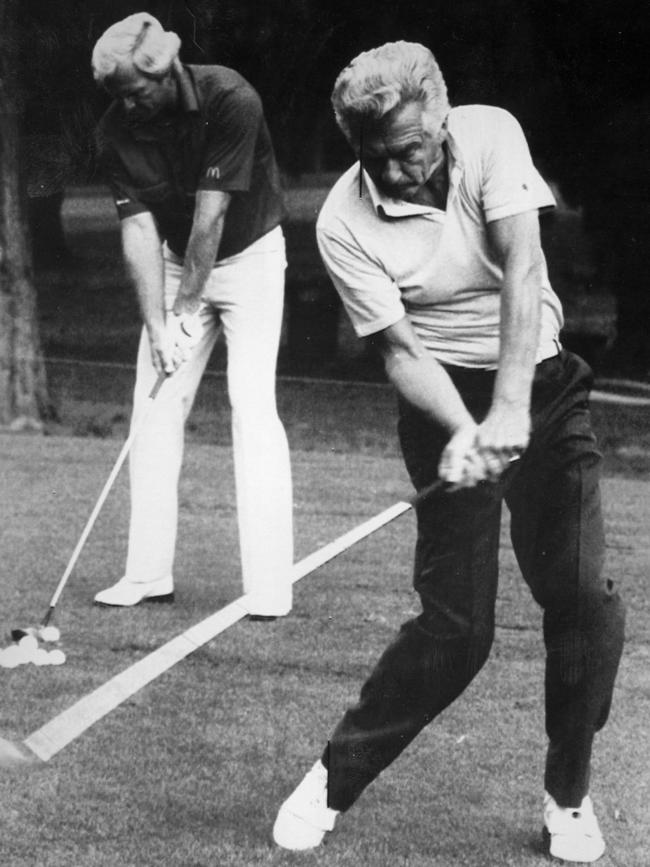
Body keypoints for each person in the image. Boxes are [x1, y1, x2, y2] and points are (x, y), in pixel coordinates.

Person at [272, 42, 625, 862]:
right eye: (374, 159)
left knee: (580, 595)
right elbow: (398, 351)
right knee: (457, 629)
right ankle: (331, 777)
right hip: (440, 404)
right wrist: (464, 429)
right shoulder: (341, 221)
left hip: (539, 381)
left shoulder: (491, 134)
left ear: (440, 115)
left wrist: (508, 407)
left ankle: (568, 797)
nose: (395, 174)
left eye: (409, 151)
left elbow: (522, 269)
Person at [90, 13, 293, 619]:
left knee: (251, 406)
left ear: (166, 69)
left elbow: (213, 217)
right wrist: (158, 324)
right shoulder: (115, 130)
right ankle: (147, 573)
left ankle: (268, 585)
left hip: (252, 256)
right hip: (179, 261)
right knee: (153, 407)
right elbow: (138, 229)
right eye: (117, 96)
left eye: (134, 91)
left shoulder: (230, 98)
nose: (126, 106)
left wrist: (186, 312)